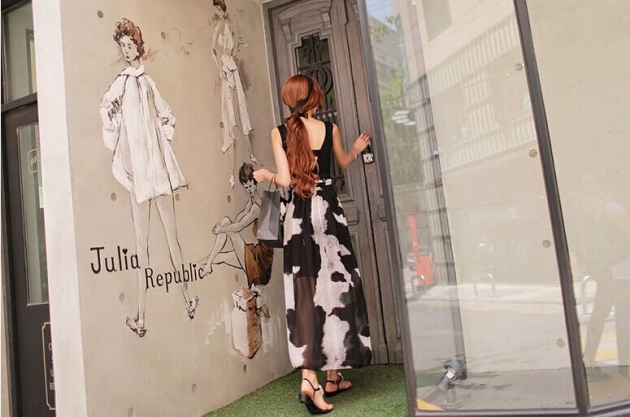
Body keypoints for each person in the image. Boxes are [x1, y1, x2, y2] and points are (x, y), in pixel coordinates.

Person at [254, 74, 373, 414]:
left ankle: (317, 379)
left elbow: (285, 180)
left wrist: (265, 175)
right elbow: (344, 162)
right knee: (336, 288)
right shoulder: (329, 128)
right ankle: (328, 376)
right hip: (330, 213)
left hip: (299, 218)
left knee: (306, 292)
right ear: (313, 98)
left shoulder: (280, 132)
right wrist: (357, 149)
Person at [100, 18, 198, 337]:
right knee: (141, 245)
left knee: (172, 238)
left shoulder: (147, 82)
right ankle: (141, 318)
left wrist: (160, 144)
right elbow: (106, 109)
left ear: (138, 47)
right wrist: (122, 139)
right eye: (123, 46)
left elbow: (168, 115)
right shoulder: (122, 83)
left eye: (130, 45)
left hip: (157, 171)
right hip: (140, 174)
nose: (126, 51)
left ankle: (188, 301)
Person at [578, 174, 630, 379]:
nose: (587, 188)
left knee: (614, 318)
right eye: (584, 184)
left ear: (601, 186)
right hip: (612, 273)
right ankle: (595, 362)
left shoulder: (611, 209)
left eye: (591, 183)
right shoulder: (599, 210)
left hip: (619, 272)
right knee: (611, 317)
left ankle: (607, 363)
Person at [200, 162, 274, 288]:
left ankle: (207, 266)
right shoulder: (252, 201)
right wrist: (228, 227)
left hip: (260, 265)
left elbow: (239, 226)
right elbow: (241, 216)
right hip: (256, 254)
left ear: (255, 182)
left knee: (225, 223)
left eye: (250, 186)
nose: (249, 190)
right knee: (220, 257)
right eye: (246, 188)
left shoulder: (258, 207)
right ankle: (203, 266)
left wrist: (222, 229)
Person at [211, 0, 259, 166]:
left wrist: (238, 44)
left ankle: (251, 154)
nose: (218, 12)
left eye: (220, 9)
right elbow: (213, 49)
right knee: (231, 112)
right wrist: (220, 68)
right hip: (226, 66)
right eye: (216, 9)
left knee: (241, 107)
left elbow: (232, 50)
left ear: (224, 9)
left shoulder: (229, 25)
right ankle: (234, 161)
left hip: (232, 64)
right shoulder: (218, 27)